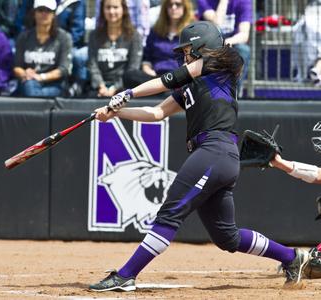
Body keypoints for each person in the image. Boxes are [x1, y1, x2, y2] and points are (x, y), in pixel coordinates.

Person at [89, 21, 310, 292]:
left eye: (188, 49)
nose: (185, 55)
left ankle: (126, 275)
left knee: (170, 213)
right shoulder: (191, 84)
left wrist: (127, 93)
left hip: (214, 151)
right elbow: (157, 113)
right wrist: (115, 112)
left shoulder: (226, 63)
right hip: (218, 158)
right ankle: (292, 257)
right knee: (226, 237)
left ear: (203, 46)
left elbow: (169, 78)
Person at [123, 0, 195, 89]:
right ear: (165, 8)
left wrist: (180, 75)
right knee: (129, 75)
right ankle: (162, 88)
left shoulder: (192, 31)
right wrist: (148, 70)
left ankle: (163, 89)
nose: (173, 8)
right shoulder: (155, 31)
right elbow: (147, 60)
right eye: (170, 5)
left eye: (178, 4)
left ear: (185, 7)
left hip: (180, 77)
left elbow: (194, 60)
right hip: (157, 77)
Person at [13, 0, 72, 98]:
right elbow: (16, 66)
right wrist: (25, 73)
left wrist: (41, 77)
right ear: (34, 13)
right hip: (28, 82)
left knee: (31, 90)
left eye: (48, 11)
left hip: (54, 85)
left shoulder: (64, 37)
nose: (44, 14)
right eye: (40, 10)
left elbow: (64, 69)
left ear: (54, 14)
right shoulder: (24, 37)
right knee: (30, 86)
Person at [87, 0, 143, 98]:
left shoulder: (134, 36)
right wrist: (101, 86)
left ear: (123, 9)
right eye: (108, 7)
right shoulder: (94, 35)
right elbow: (93, 66)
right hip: (99, 88)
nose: (111, 11)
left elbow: (132, 68)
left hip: (124, 88)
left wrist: (115, 88)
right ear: (102, 10)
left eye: (115, 7)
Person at [197, 0, 252, 94]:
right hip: (209, 44)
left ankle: (235, 92)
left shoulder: (244, 1)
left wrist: (228, 42)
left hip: (231, 44)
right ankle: (208, 92)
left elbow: (244, 34)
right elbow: (217, 22)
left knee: (244, 50)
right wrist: (224, 1)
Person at [56, 0, 88, 97]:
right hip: (49, 44)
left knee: (78, 56)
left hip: (70, 44)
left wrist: (61, 47)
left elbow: (77, 33)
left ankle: (78, 87)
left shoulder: (77, 2)